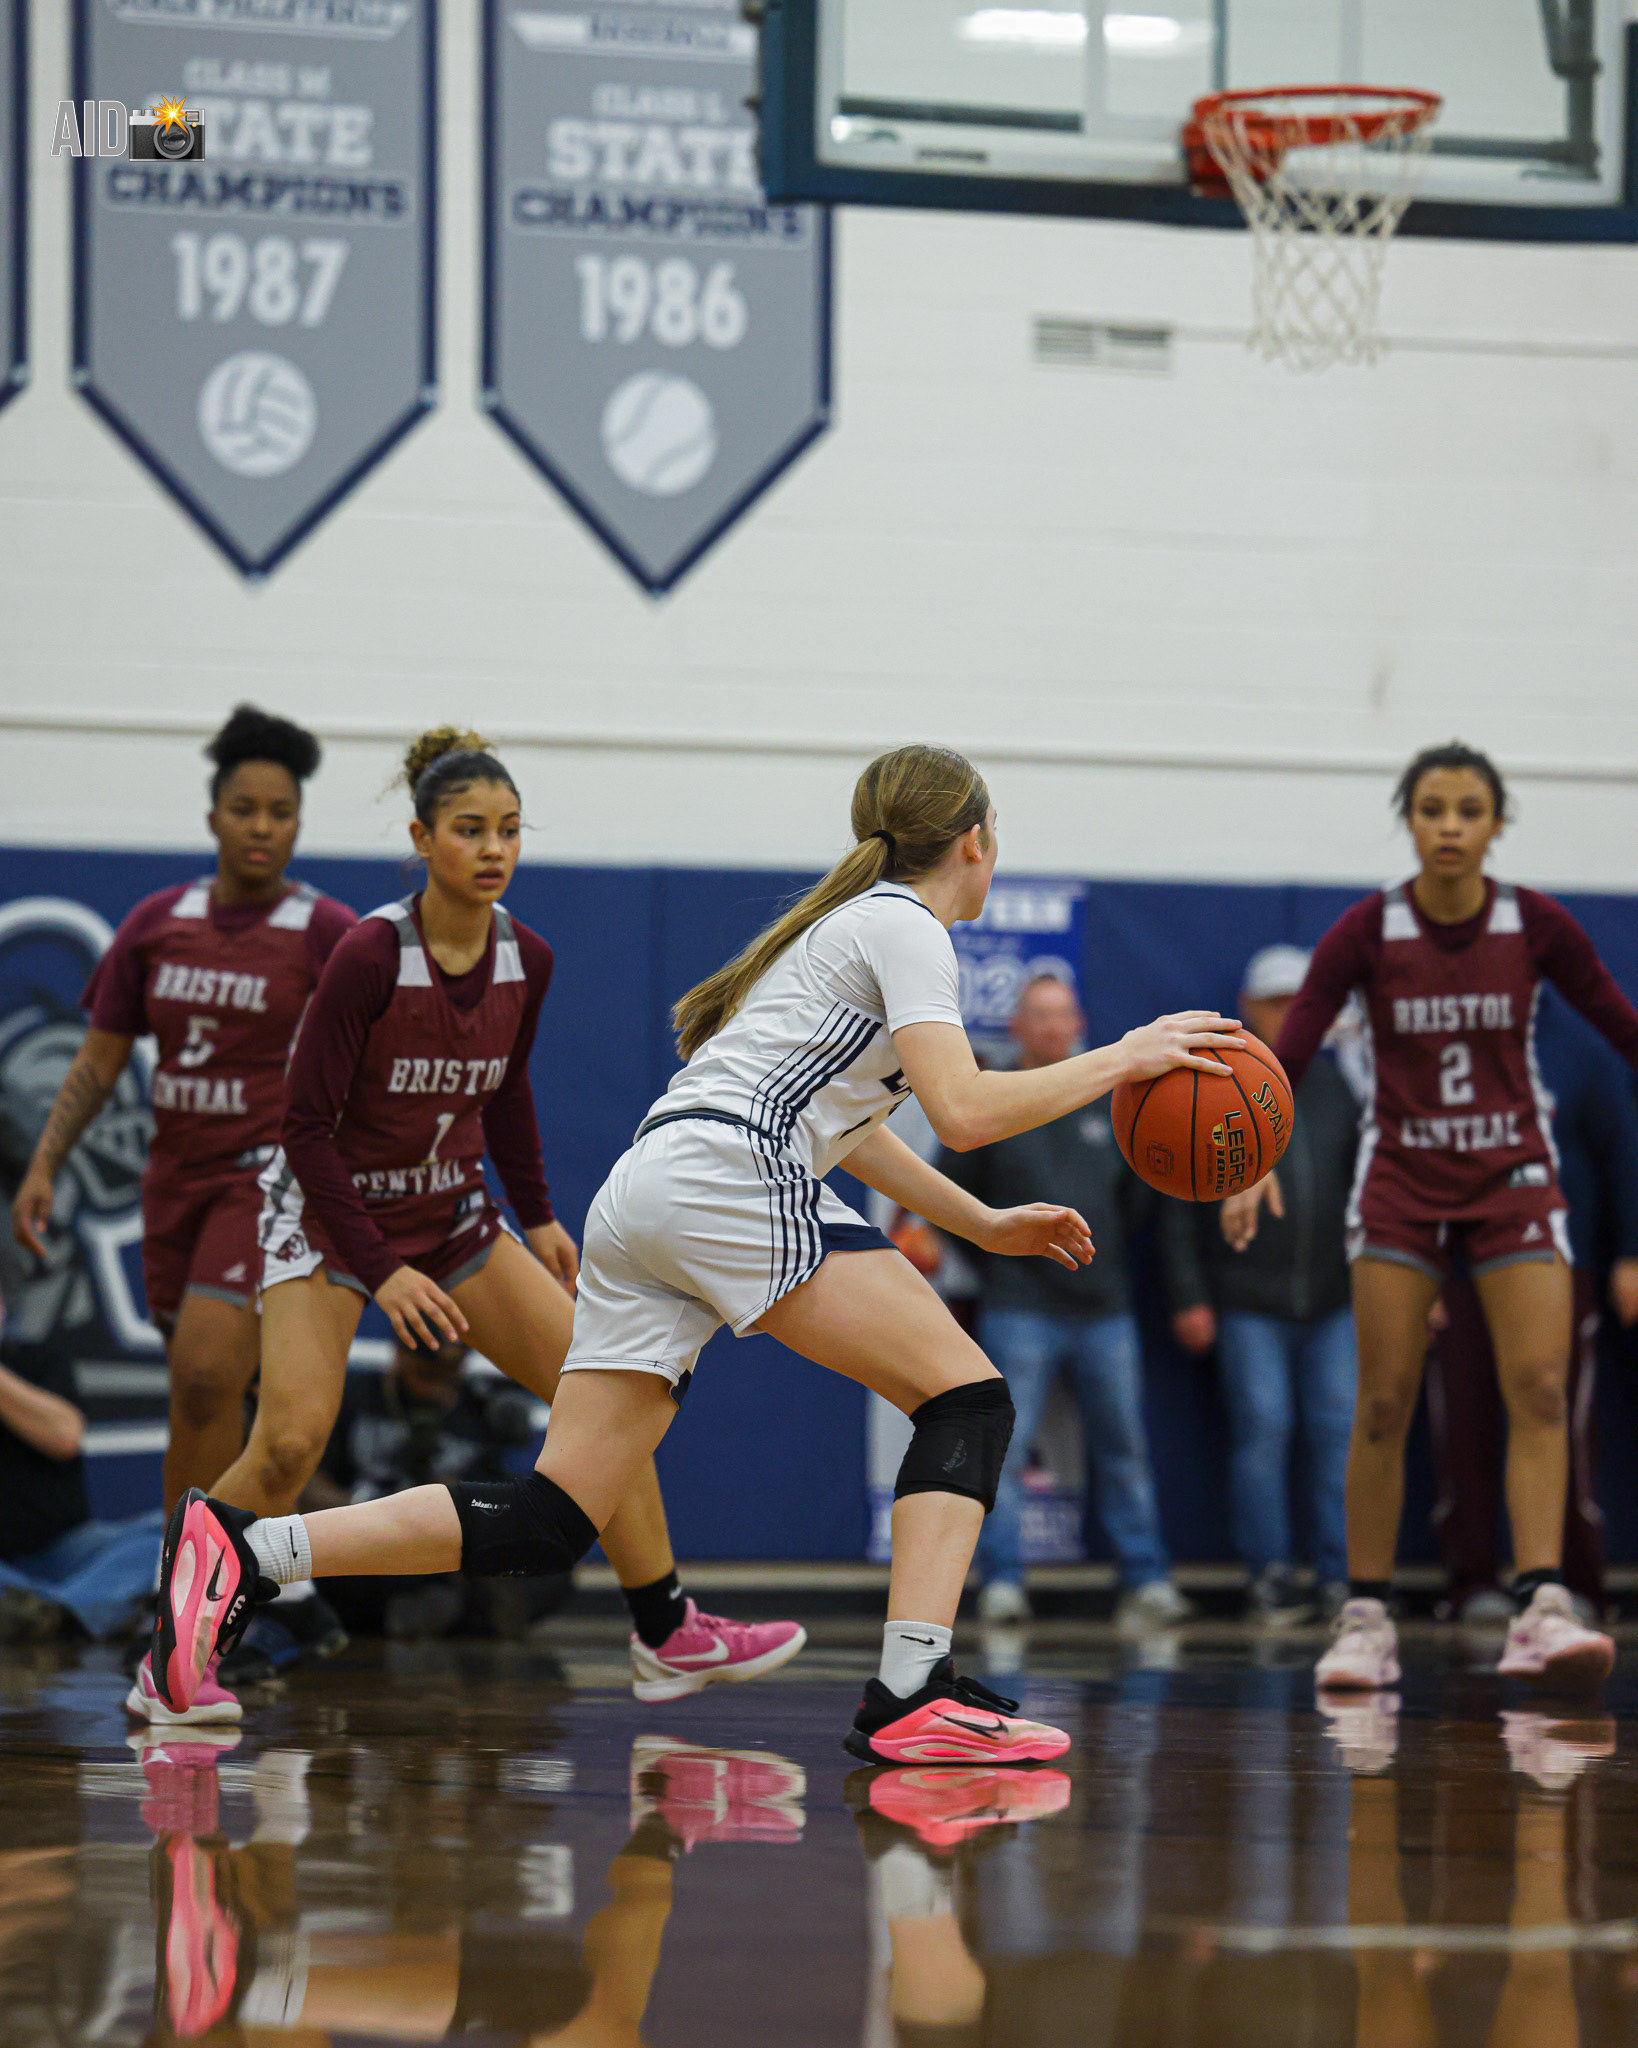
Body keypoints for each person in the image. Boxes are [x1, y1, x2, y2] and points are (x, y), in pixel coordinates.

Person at [145, 742, 1241, 1765]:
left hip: (653, 1187)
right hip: (730, 1178)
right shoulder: (907, 925)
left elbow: (859, 1132)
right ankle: (914, 1693)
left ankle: (251, 1551)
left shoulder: (847, 927)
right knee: (968, 1399)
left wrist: (985, 1224)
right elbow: (961, 1107)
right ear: (978, 839)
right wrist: (1127, 1054)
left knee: (551, 1518)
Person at [208, 726, 801, 1707]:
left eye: (510, 829)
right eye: (470, 828)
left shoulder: (528, 955)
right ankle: (179, 1633)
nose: (493, 848)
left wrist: (538, 1215)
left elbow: (508, 1090)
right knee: (287, 1444)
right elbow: (304, 1131)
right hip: (329, 1218)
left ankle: (666, 1630)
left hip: (450, 1216)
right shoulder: (370, 953)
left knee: (605, 1393)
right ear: (422, 838)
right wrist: (383, 1270)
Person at [1225, 741, 1638, 1693]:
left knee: (1541, 1389)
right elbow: (1292, 1050)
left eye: (1469, 811)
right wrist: (1255, 1155)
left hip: (1513, 1175)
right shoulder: (1369, 929)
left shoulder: (1535, 923)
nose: (1450, 826)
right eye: (1433, 809)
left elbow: (1619, 1022)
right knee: (1381, 1402)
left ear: (1496, 825)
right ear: (1409, 821)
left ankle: (1540, 1604)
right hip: (1404, 1179)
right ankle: (1365, 1618)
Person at [7, 706, 356, 1715]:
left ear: (298, 822)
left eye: (281, 811)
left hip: (266, 1183)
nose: (263, 826)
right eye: (245, 808)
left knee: (207, 1375)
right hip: (177, 1183)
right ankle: (276, 1594)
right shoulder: (159, 922)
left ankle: (184, 1611)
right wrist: (45, 1163)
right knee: (204, 1399)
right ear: (213, 816)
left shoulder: (325, 931)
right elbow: (99, 1057)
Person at [936, 973, 1196, 1633]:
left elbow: (1139, 1200)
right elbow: (947, 1198)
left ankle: (1147, 1581)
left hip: (1105, 1309)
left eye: (1062, 1015)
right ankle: (1003, 1583)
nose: (1053, 1027)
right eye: (1039, 1016)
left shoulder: (1111, 1101)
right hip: (1019, 1306)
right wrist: (999, 1262)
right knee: (1004, 1448)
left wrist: (1095, 1255)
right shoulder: (994, 1100)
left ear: (1079, 1023)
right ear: (1016, 1027)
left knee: (1124, 1449)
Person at [1425, 984, 1638, 1626]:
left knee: (1558, 1416)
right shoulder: (1441, 1042)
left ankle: (1576, 1583)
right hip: (1460, 1268)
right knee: (1464, 1424)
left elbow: (1622, 1151)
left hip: (1557, 1263)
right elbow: (1412, 1160)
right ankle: (1473, 1583)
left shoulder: (1583, 1047)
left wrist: (1631, 1253)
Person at [1168, 943, 1359, 1626]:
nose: (1290, 1014)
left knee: (1340, 1432)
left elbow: (1368, 1193)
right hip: (1248, 1298)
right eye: (1277, 1003)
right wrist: (1189, 1294)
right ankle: (1271, 1575)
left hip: (1333, 1300)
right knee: (1265, 1427)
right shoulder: (1216, 1082)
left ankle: (1343, 1576)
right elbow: (1177, 1197)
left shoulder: (1337, 1090)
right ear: (1248, 1009)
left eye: (1300, 1002)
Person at [298, 1334, 574, 1642]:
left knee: (552, 1570)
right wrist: (371, 1505)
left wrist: (461, 1504)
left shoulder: (480, 1409)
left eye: (451, 1374)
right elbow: (311, 1488)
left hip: (450, 1547)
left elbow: (498, 1504)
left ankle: (435, 1610)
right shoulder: (354, 1397)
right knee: (317, 1565)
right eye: (427, 1374)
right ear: (400, 1355)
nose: (438, 1387)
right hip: (373, 1538)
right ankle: (455, 1614)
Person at [0, 1322, 165, 1642]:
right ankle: (71, 1611)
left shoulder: (37, 1360)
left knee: (176, 1530)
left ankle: (59, 1612)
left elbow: (65, 1437)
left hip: (71, 1551)